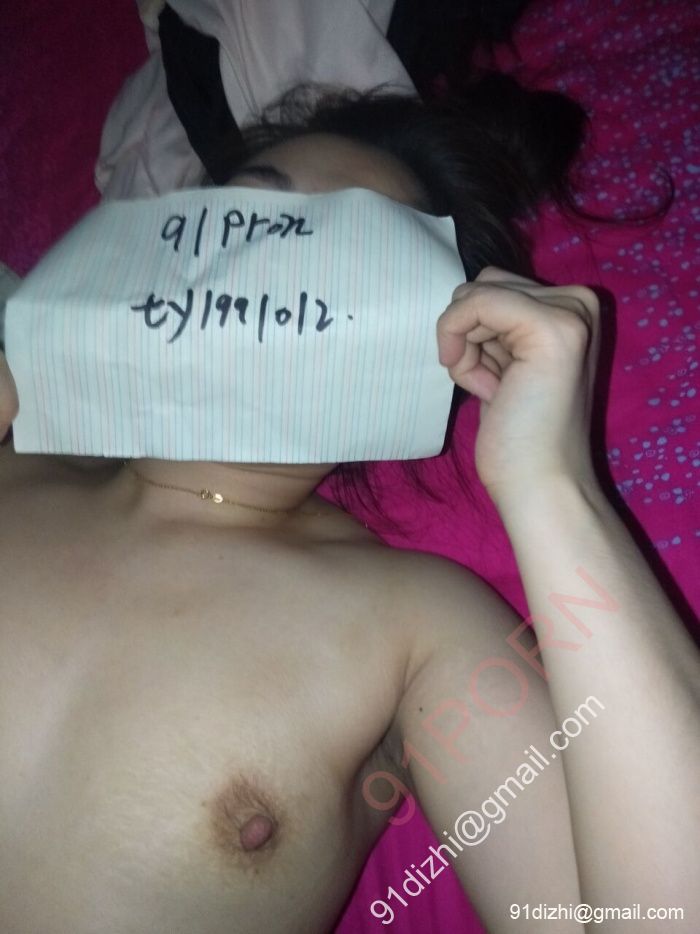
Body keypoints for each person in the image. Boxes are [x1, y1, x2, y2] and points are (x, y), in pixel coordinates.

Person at [1, 86, 698, 934]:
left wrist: (552, 482)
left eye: (352, 256)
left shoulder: (414, 626)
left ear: (435, 347)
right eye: (251, 212)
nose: (272, 264)